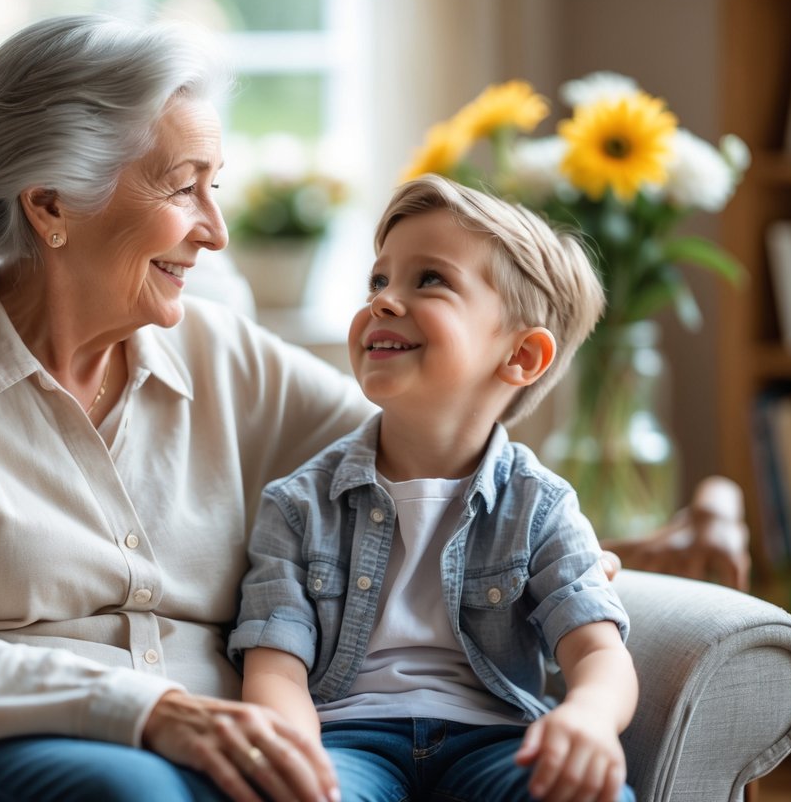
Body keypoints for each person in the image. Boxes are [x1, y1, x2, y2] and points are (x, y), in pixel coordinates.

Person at [0, 12, 746, 802]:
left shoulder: (217, 348)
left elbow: (431, 458)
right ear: (51, 204)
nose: (214, 230)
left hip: (254, 746)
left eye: (213, 186)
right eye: (182, 186)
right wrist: (154, 712)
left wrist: (655, 531)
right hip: (54, 740)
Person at [229, 175, 638, 802]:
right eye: (378, 280)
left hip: (500, 741)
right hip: (346, 739)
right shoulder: (297, 505)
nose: (385, 301)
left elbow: (598, 653)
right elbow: (275, 665)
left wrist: (587, 717)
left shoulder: (540, 505)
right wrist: (296, 754)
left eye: (430, 280)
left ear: (522, 357)